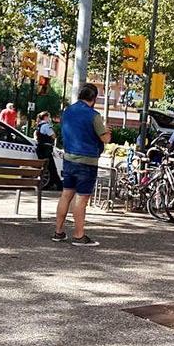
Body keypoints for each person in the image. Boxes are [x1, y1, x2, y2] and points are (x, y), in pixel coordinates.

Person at [52, 83, 110, 247]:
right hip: (87, 161)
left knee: (66, 195)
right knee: (81, 199)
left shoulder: (67, 111)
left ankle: (58, 231)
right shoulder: (94, 115)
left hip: (69, 158)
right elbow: (104, 138)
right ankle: (79, 235)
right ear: (94, 98)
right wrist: (107, 131)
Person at [34, 111, 58, 185]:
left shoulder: (39, 125)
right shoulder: (46, 126)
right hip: (46, 148)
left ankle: (49, 182)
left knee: (45, 166)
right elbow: (53, 135)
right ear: (45, 117)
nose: (49, 118)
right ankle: (56, 183)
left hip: (40, 148)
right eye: (49, 117)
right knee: (51, 166)